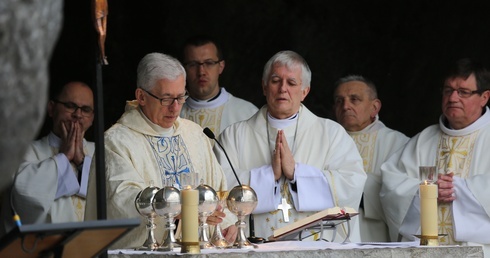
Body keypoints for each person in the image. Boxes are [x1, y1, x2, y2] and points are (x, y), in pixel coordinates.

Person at [85, 52, 236, 249]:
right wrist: (179, 209)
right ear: (141, 96)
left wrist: (226, 224)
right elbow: (122, 201)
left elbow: (218, 191)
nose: (175, 108)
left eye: (181, 97)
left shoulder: (195, 135)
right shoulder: (116, 142)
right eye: (166, 99)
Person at [215, 50, 366, 242]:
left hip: (317, 247)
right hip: (255, 245)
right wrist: (269, 176)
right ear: (264, 86)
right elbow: (218, 186)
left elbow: (352, 183)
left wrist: (297, 173)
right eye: (276, 80)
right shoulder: (234, 136)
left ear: (305, 91)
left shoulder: (331, 134)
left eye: (291, 83)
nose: (282, 88)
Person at [380, 58, 490, 255]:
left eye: (463, 92)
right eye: (448, 91)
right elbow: (391, 185)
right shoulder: (423, 141)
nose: (453, 98)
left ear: (484, 97)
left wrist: (461, 189)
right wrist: (426, 192)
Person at [0, 81, 95, 235]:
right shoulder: (23, 152)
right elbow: (23, 195)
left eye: (85, 109)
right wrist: (63, 158)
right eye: (70, 106)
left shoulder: (101, 153)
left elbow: (110, 197)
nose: (78, 114)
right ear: (51, 108)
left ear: (92, 118)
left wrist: (82, 163)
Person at [333, 75, 409, 242]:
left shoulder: (398, 144)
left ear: (374, 107)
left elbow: (403, 194)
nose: (345, 106)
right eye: (339, 101)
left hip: (376, 237)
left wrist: (351, 187)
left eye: (354, 99)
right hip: (332, 235)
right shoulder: (326, 141)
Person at [180, 35, 258, 135]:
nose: (201, 72)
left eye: (209, 63)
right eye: (193, 64)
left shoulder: (248, 114)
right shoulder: (172, 113)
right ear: (183, 69)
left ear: (221, 66)